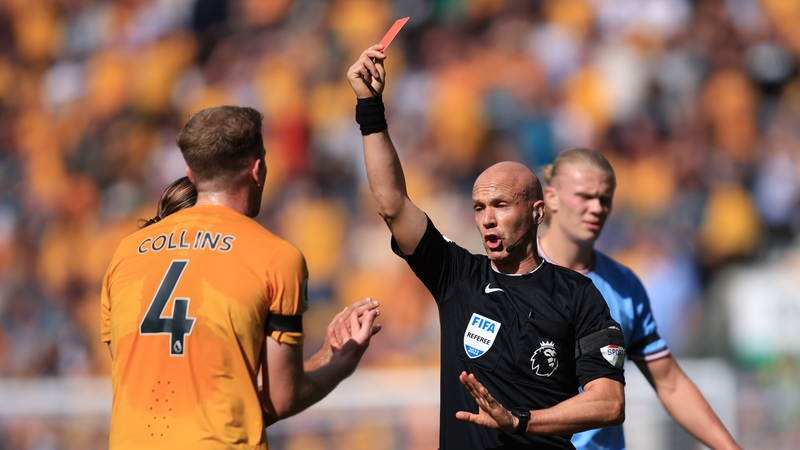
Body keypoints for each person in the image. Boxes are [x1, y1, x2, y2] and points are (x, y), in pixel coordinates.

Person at [348, 45, 626, 449]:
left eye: (500, 205)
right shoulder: (458, 276)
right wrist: (370, 105)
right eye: (479, 207)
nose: (487, 219)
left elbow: (608, 402)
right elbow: (392, 204)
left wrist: (520, 422)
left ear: (536, 212)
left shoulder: (577, 295)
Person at [100, 105, 380, 449]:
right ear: (258, 169)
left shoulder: (125, 254)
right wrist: (337, 362)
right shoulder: (277, 258)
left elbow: (144, 380)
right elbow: (281, 399)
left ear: (191, 172)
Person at [538, 148, 741, 450]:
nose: (597, 208)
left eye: (605, 198)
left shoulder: (624, 285)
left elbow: (669, 382)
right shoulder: (507, 276)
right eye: (584, 196)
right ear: (551, 197)